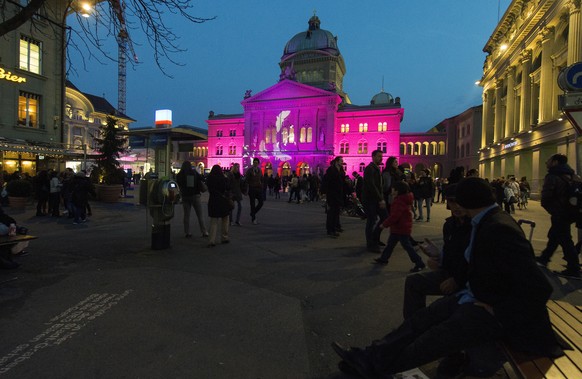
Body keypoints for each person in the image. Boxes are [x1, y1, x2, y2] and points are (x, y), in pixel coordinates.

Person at [332, 177, 562, 378]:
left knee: (433, 339)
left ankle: (375, 366)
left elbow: (540, 286)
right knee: (421, 320)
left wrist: (497, 309)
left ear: (466, 202)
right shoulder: (486, 221)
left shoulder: (498, 228)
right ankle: (370, 356)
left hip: (495, 313)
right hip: (473, 297)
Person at [403, 183, 470, 319]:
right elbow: (452, 257)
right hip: (452, 273)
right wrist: (439, 256)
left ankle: (416, 326)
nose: (456, 206)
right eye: (451, 201)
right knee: (413, 282)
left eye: (460, 201)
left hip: (468, 280)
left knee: (436, 312)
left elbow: (478, 261)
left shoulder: (475, 225)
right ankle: (412, 325)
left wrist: (457, 280)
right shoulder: (450, 225)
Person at [536, 153, 581, 279]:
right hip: (569, 212)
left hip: (559, 213)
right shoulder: (571, 175)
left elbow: (546, 197)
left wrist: (553, 210)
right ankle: (544, 258)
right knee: (555, 236)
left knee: (565, 239)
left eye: (548, 160)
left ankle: (574, 268)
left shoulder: (552, 176)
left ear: (555, 162)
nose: (546, 162)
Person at [373, 181, 425, 272]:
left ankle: (419, 263)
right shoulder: (404, 199)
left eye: (393, 189)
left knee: (407, 247)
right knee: (390, 244)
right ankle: (384, 259)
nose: (391, 190)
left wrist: (384, 224)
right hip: (400, 228)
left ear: (397, 191)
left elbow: (395, 216)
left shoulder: (399, 201)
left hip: (401, 228)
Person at [362, 150, 387, 252]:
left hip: (376, 199)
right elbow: (372, 185)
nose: (381, 158)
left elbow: (379, 186)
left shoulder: (376, 168)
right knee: (371, 221)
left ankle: (375, 238)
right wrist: (380, 199)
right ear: (373, 157)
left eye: (381, 156)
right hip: (371, 200)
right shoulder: (369, 169)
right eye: (378, 156)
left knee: (385, 217)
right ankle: (371, 244)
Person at [176, 161, 209, 238]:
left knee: (186, 215)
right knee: (200, 215)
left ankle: (187, 232)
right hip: (195, 195)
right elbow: (202, 178)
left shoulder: (180, 175)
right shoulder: (193, 172)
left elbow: (179, 184)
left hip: (185, 196)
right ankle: (204, 231)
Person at [206, 165, 231, 247]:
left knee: (214, 221)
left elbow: (208, 188)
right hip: (222, 200)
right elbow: (227, 187)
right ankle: (224, 237)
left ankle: (211, 240)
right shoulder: (223, 178)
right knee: (225, 219)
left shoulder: (209, 178)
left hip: (213, 200)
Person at [325, 157, 345, 238]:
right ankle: (330, 230)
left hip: (338, 194)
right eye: (341, 161)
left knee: (336, 212)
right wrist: (326, 193)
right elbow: (327, 182)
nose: (342, 162)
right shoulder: (331, 170)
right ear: (337, 161)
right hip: (332, 194)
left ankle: (335, 227)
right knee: (331, 213)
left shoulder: (340, 170)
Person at [245, 158, 264, 224]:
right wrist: (246, 189)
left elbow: (261, 178)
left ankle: (253, 213)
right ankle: (253, 218)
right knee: (252, 204)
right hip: (252, 189)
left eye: (256, 163)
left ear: (258, 163)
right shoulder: (249, 170)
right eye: (254, 162)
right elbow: (246, 180)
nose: (255, 164)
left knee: (261, 202)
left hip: (258, 188)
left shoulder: (260, 170)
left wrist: (261, 185)